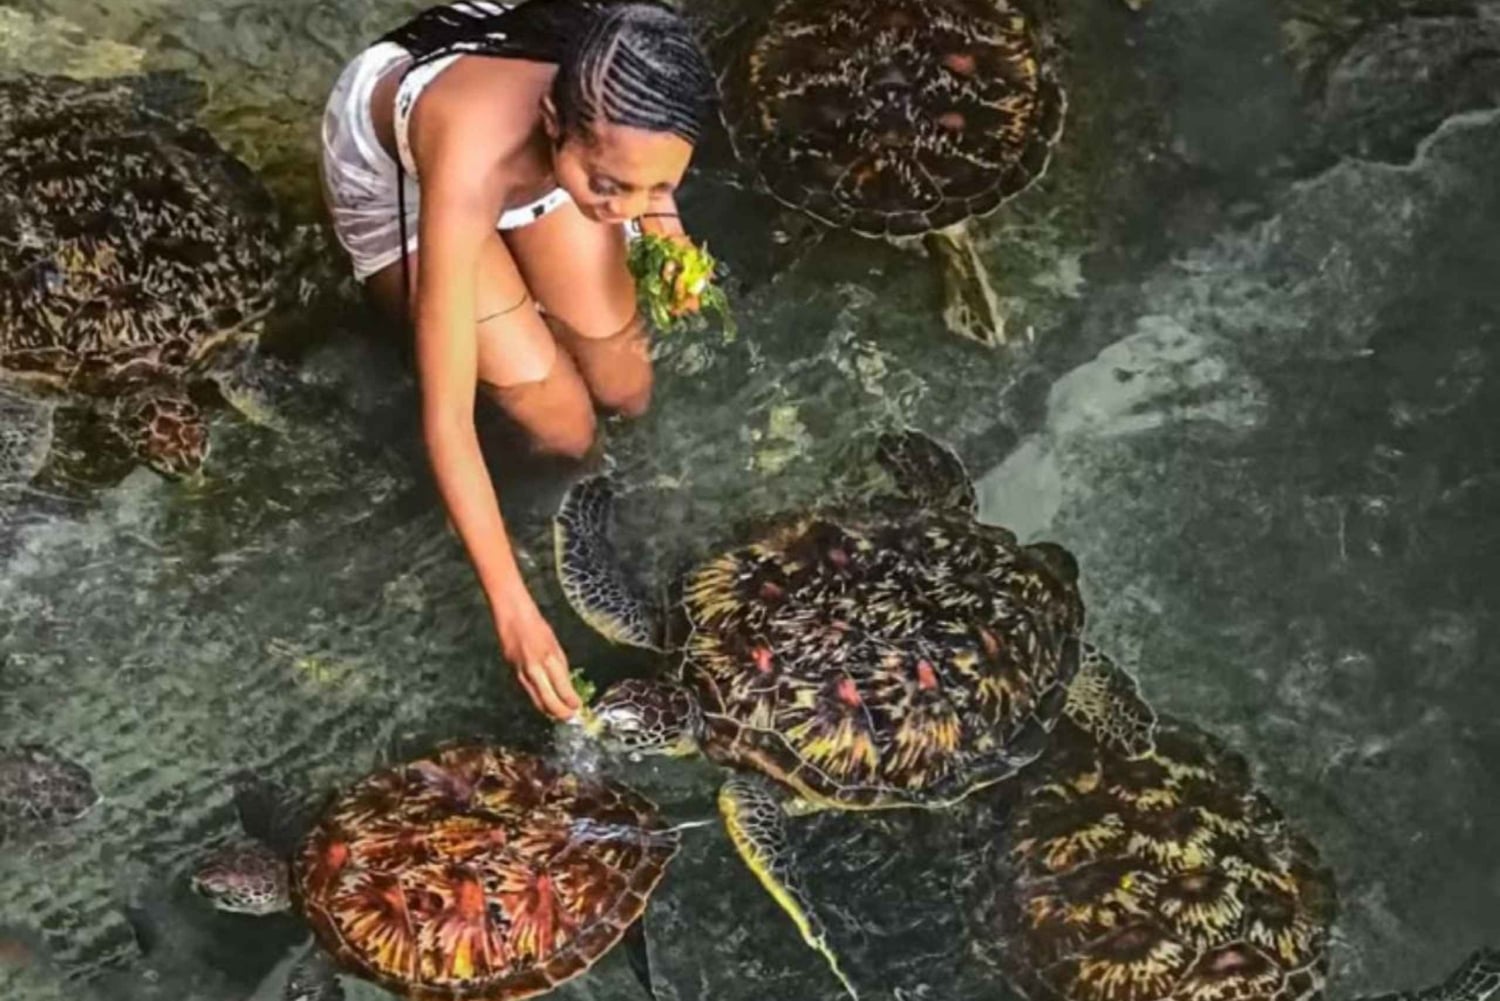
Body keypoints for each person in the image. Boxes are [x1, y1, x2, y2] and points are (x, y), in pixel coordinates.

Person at [319, 0, 715, 720]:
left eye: (656, 184)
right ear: (554, 120)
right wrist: (515, 613)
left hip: (548, 160)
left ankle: (550, 252)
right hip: (415, 177)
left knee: (626, 382)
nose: (629, 210)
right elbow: (447, 422)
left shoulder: (624, 93)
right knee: (563, 424)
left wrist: (667, 227)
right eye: (611, 187)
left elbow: (638, 169)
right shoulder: (470, 154)